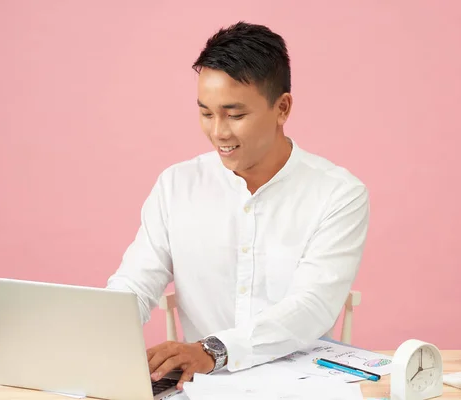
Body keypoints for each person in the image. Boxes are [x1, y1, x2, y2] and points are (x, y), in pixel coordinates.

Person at [106, 21, 370, 390]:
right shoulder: (176, 186)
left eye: (235, 114)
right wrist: (96, 334)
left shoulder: (338, 193)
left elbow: (312, 306)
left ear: (282, 108)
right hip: (200, 387)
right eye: (206, 113)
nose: (219, 132)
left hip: (302, 388)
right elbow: (136, 282)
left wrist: (213, 350)